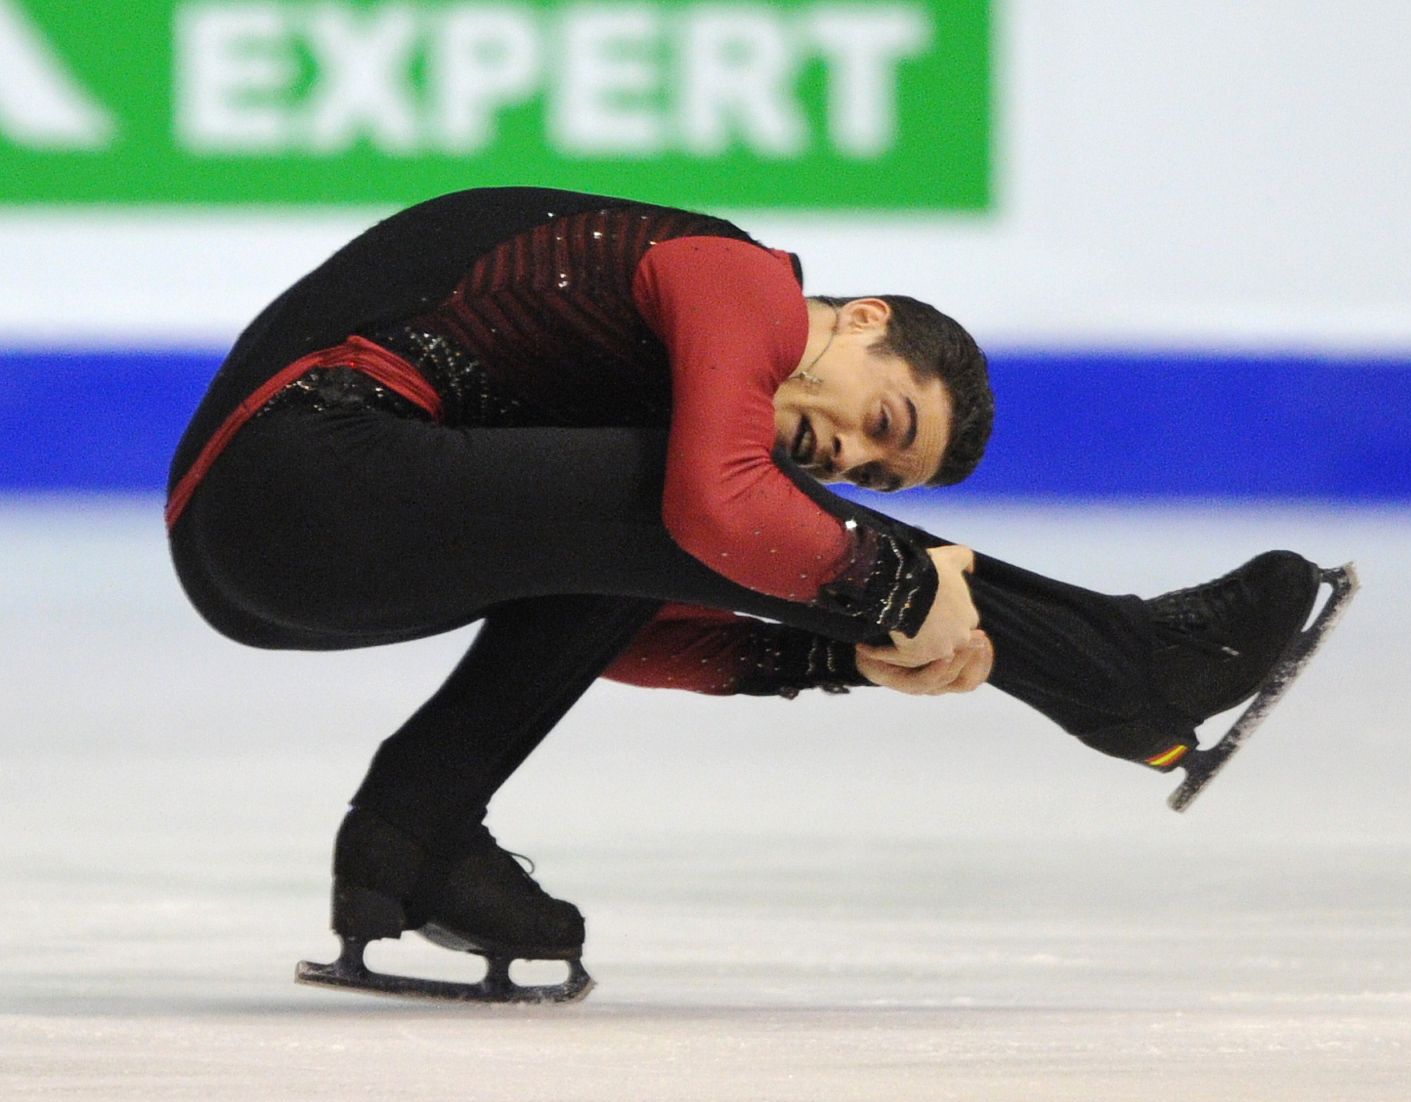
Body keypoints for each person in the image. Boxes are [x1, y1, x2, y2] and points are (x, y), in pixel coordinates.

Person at [166, 187, 1344, 1002]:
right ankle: (1127, 665)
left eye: (867, 473)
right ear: (865, 317)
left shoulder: (680, 415)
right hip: (299, 473)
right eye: (878, 418)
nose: (840, 453)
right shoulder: (740, 278)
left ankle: (410, 838)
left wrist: (835, 656)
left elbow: (626, 624)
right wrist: (890, 578)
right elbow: (717, 509)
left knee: (662, 524)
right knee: (713, 498)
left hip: (268, 555)